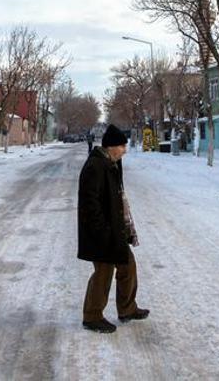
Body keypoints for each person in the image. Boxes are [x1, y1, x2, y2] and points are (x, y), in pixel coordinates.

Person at [77, 124, 149, 333]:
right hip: (101, 232)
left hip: (114, 230)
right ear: (110, 146)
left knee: (128, 266)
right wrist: (103, 233)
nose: (125, 150)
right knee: (103, 273)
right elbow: (90, 205)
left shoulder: (112, 163)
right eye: (122, 146)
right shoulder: (95, 167)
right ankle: (92, 316)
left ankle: (127, 308)